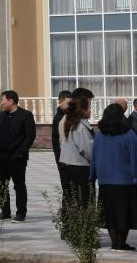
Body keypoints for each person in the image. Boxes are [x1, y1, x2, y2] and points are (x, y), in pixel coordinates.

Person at [90, 103, 137, 251]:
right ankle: (121, 243)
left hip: (105, 181)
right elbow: (134, 158)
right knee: (124, 213)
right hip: (125, 181)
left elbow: (94, 157)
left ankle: (114, 242)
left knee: (109, 213)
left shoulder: (99, 136)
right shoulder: (129, 135)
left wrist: (92, 175)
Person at [0, 90, 36, 221]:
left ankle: (21, 212)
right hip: (0, 157)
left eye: (3, 100)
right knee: (1, 185)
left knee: (19, 185)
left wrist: (21, 152)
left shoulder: (25, 115)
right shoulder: (2, 115)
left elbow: (30, 136)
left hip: (16, 158)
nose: (1, 103)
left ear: (11, 101)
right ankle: (5, 212)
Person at [58, 95, 94, 210]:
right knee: (83, 199)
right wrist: (95, 162)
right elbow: (87, 150)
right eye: (89, 107)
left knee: (72, 198)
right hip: (80, 166)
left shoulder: (70, 122)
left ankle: (70, 220)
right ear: (82, 110)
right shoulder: (81, 127)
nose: (90, 110)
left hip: (69, 164)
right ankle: (82, 221)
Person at [52, 90, 72, 186]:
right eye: (68, 103)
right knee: (67, 186)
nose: (69, 106)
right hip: (62, 158)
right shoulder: (58, 118)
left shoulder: (70, 116)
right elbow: (57, 141)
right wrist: (60, 159)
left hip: (70, 158)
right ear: (60, 101)